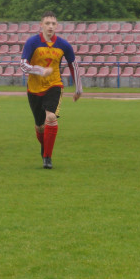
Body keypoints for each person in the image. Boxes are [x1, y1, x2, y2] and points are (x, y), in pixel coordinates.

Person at [19, 11, 83, 169]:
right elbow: (23, 65)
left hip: (54, 85)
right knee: (40, 127)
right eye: (47, 23)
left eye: (53, 23)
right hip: (34, 89)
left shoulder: (63, 45)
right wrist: (40, 70)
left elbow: (73, 65)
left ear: (57, 26)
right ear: (41, 25)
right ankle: (45, 148)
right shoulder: (32, 42)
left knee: (51, 117)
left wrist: (78, 88)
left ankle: (47, 158)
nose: (50, 26)